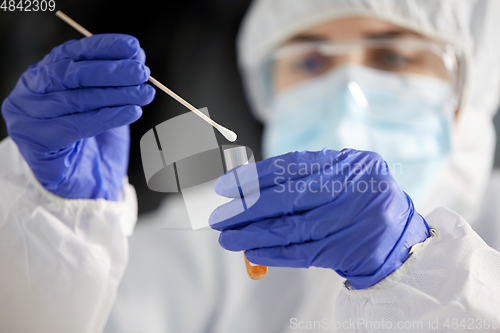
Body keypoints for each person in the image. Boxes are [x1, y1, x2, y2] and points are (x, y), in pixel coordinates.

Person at [1, 0, 500, 332]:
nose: (348, 92)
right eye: (311, 62)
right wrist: (59, 232)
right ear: (266, 89)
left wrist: (425, 274)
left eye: (393, 56)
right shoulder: (217, 235)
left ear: (472, 88)